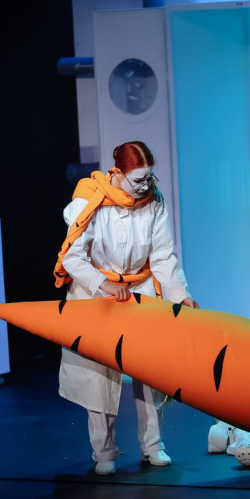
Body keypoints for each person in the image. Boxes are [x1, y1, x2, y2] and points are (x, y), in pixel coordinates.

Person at [53, 140, 198, 476]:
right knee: (98, 376)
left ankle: (153, 446)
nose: (145, 186)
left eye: (150, 178)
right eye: (138, 179)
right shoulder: (90, 200)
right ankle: (103, 453)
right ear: (117, 173)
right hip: (94, 293)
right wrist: (104, 284)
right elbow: (73, 257)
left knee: (150, 369)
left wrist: (181, 295)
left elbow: (162, 255)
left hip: (139, 289)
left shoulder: (153, 201)